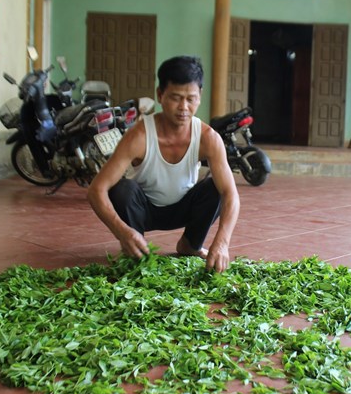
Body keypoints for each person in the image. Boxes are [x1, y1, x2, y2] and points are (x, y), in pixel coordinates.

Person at [87, 56, 240, 272]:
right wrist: (122, 231)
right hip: (143, 210)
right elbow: (96, 190)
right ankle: (135, 244)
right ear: (160, 95)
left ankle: (190, 245)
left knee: (215, 188)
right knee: (122, 189)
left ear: (200, 97)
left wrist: (223, 242)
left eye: (191, 99)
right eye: (175, 98)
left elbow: (231, 194)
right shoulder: (139, 136)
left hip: (183, 208)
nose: (183, 107)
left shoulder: (208, 138)